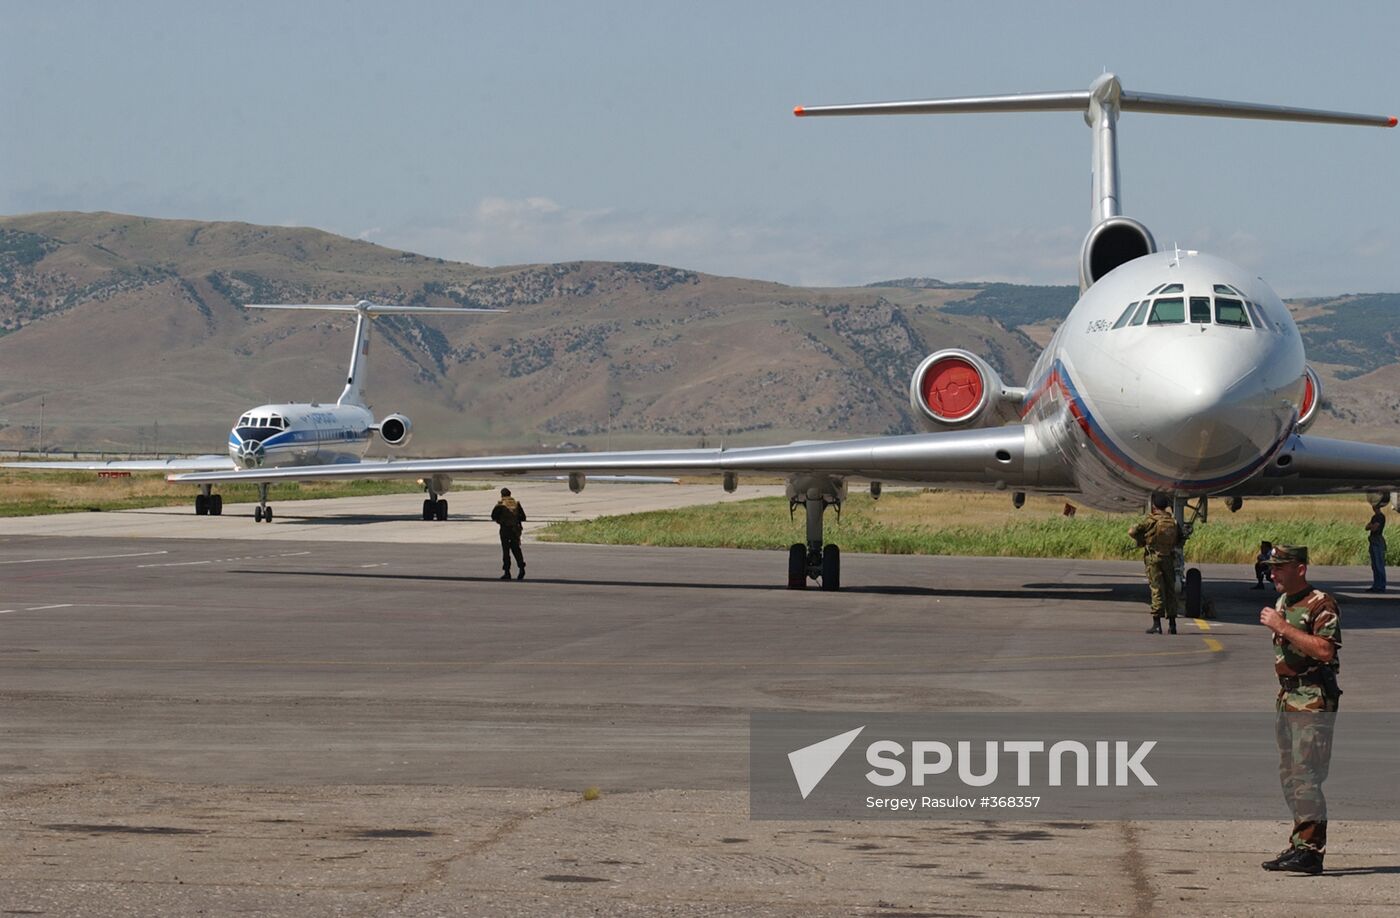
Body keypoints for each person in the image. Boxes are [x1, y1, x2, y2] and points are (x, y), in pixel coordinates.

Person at [1258, 545, 1342, 876]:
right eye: (1271, 567)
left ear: (1301, 569)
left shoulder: (1321, 603)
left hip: (1313, 699)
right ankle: (1299, 844)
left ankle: (1310, 851)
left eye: (1280, 567)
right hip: (1289, 697)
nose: (1273, 573)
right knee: (1290, 776)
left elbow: (1324, 650)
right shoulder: (1284, 603)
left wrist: (1283, 627)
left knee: (1307, 775)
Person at [1128, 493, 1180, 634]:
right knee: (1170, 590)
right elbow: (1180, 539)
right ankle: (1172, 625)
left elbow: (1132, 531)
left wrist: (1142, 540)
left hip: (1153, 558)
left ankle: (1157, 624)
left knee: (1157, 589)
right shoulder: (1173, 521)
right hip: (1168, 557)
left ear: (1154, 506)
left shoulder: (1151, 520)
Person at [491, 487, 526, 580]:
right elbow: (523, 517)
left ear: (502, 495)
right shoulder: (516, 503)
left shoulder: (501, 504)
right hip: (515, 530)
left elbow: (493, 516)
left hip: (505, 530)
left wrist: (501, 520)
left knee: (506, 551)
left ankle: (507, 572)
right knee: (516, 549)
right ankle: (521, 568)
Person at [1365, 500, 1386, 592]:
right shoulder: (1374, 517)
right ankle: (1376, 585)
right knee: (1374, 565)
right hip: (1373, 540)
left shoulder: (1380, 517)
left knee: (1379, 564)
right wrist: (1371, 526)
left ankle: (1381, 586)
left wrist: (1371, 526)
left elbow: (1373, 528)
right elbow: (1367, 527)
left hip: (1377, 540)